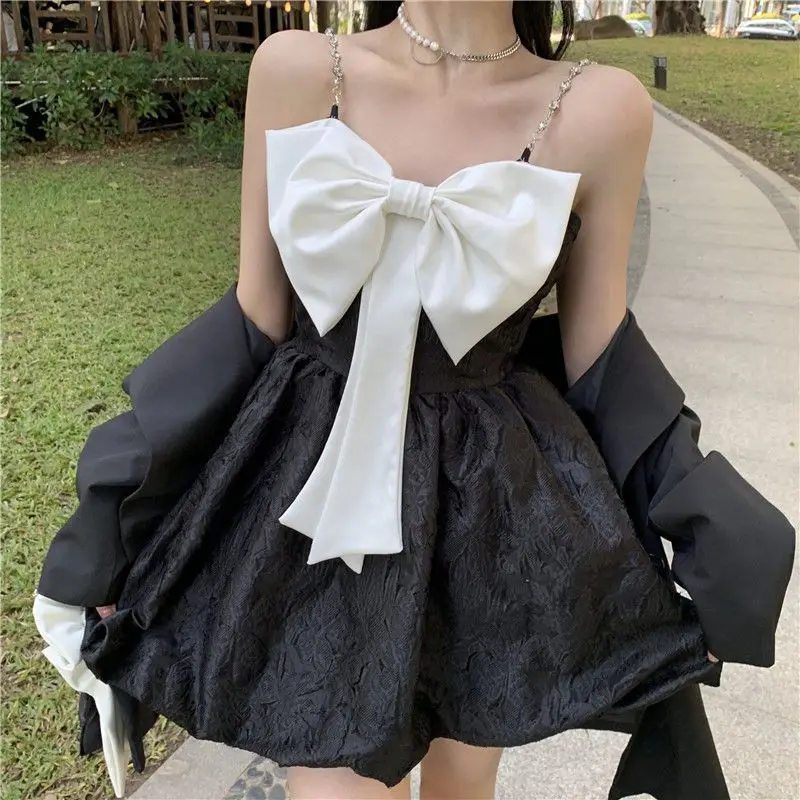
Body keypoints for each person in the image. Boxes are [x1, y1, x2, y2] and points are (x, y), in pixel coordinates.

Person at [34, 3, 794, 800]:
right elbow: (252, 323)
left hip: (489, 512)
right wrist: (114, 517)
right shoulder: (296, 69)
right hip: (308, 500)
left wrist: (711, 530)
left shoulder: (601, 108)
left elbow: (603, 362)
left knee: (464, 782)